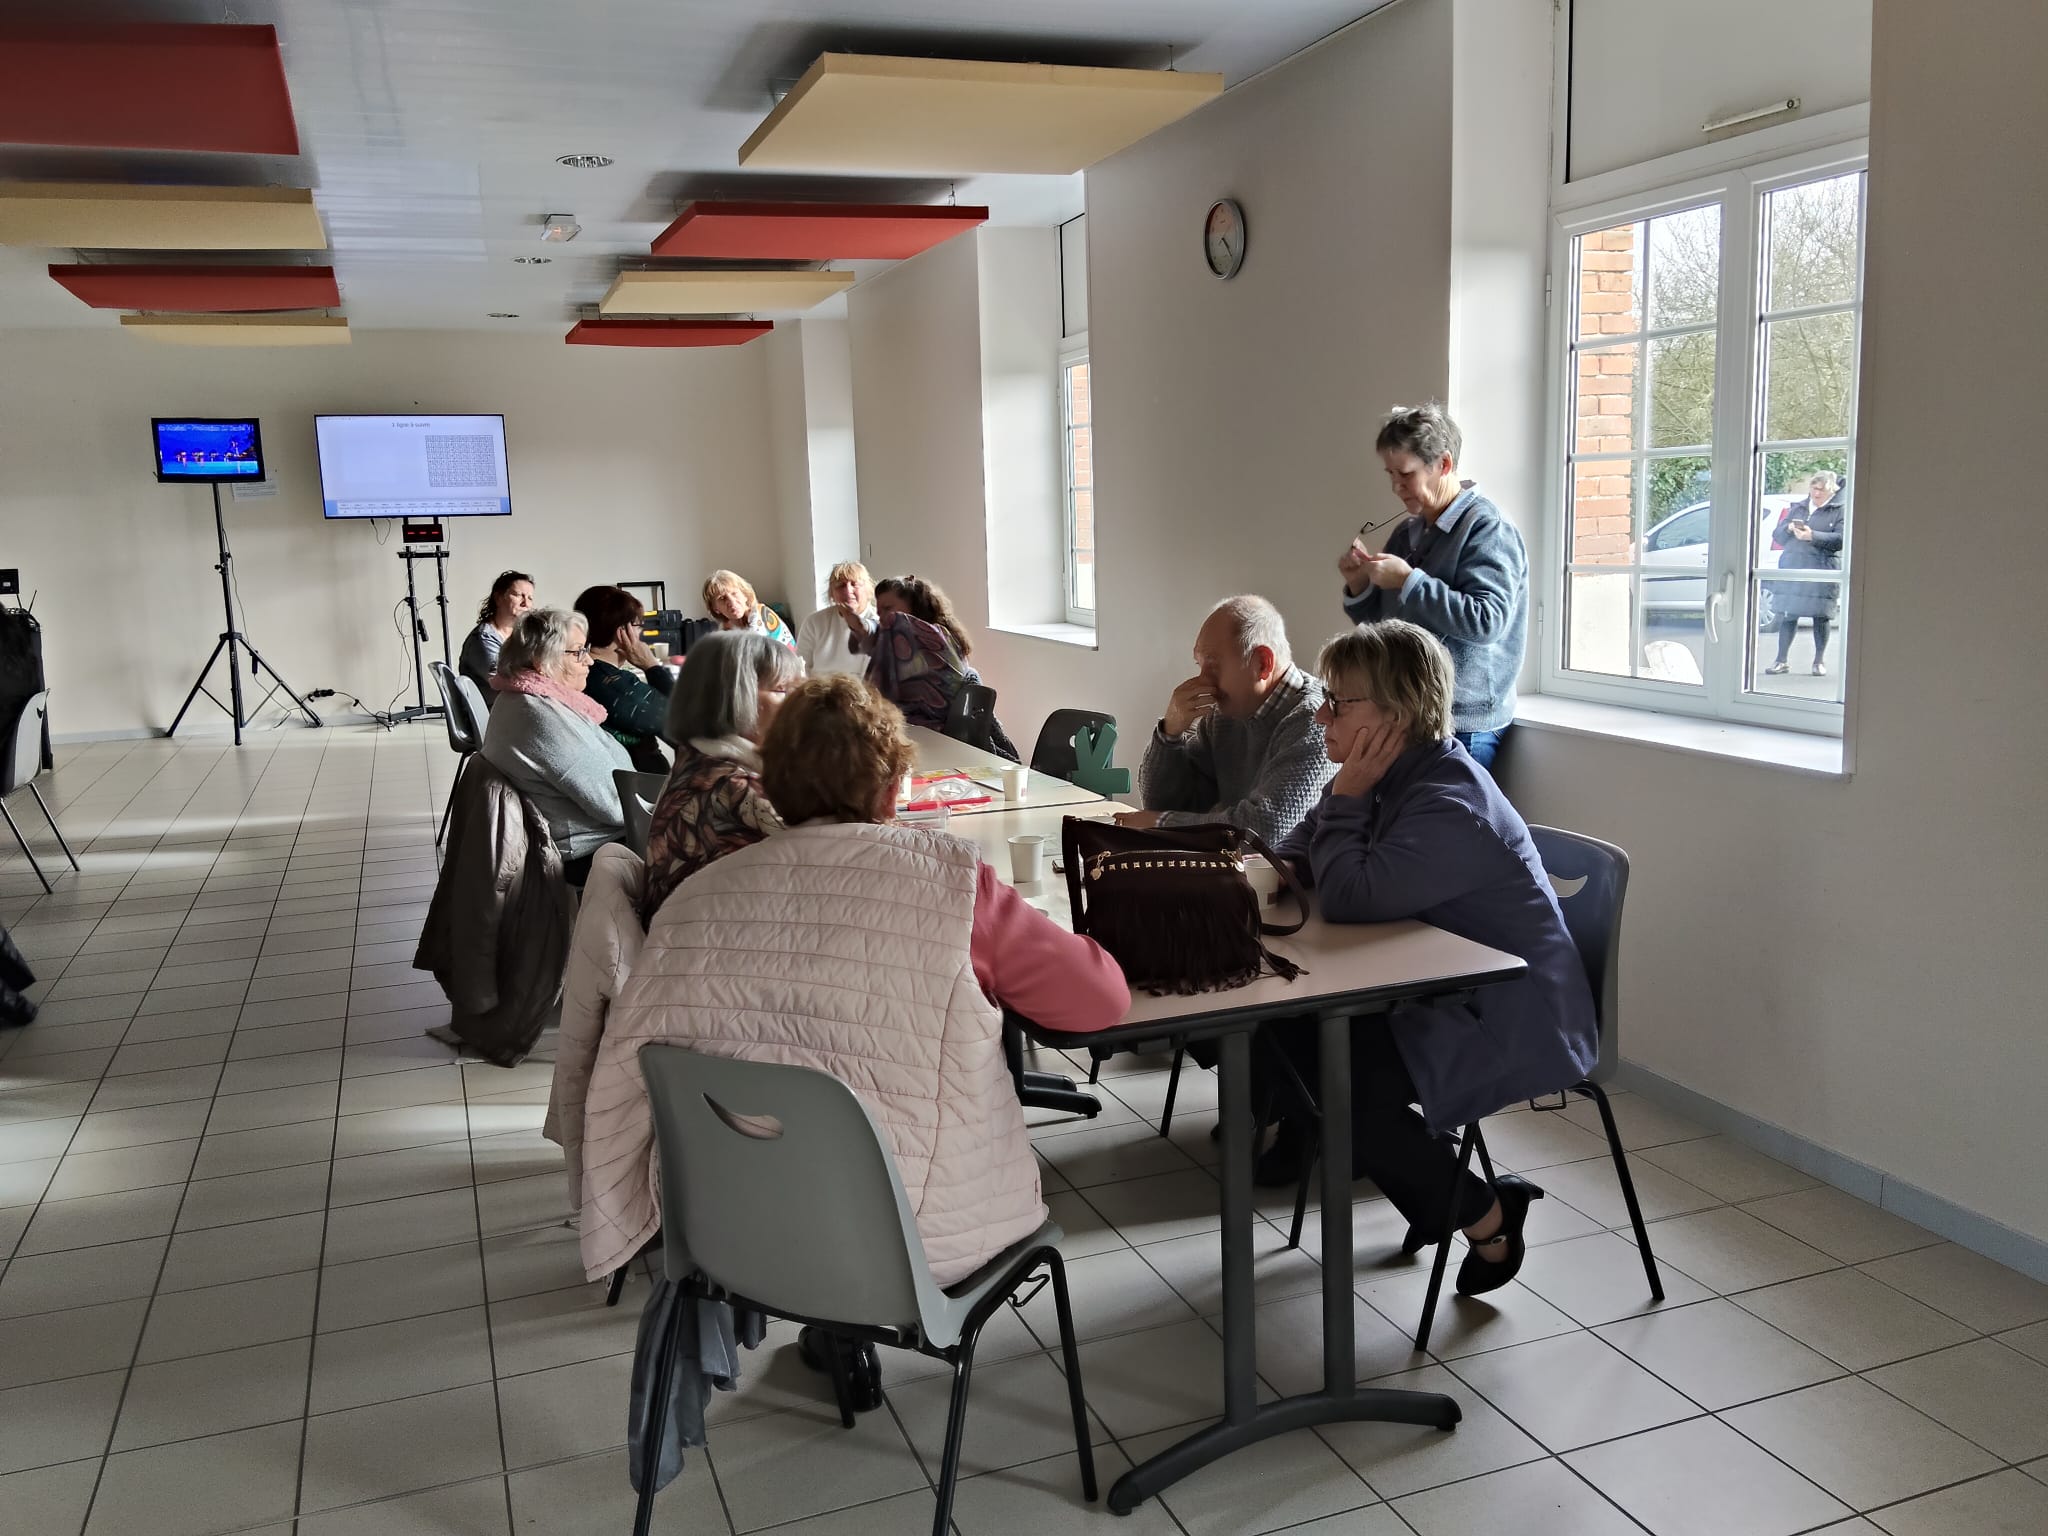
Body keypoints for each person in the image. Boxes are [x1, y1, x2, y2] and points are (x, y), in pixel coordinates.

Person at [588, 673, 1130, 1290]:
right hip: (919, 1243)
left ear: (772, 784)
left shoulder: (693, 898)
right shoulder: (954, 886)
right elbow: (1100, 1002)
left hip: (734, 1235)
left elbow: (632, 1067)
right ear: (894, 788)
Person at [1267, 620, 1598, 1296]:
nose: (1321, 715)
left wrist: (1345, 804)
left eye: (1338, 702)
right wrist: (1311, 843)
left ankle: (1487, 1215)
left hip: (1513, 1013)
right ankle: (1425, 1179)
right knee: (1284, 1032)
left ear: (1396, 715)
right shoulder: (1379, 777)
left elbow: (1350, 896)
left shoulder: (1447, 803)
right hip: (1435, 990)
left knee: (1348, 1090)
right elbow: (1299, 849)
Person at [1336, 404, 1528, 770]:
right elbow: (1383, 628)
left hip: (1464, 723)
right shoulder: (1407, 532)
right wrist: (1360, 586)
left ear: (1443, 464)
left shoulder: (1487, 528)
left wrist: (1408, 580)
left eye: (1405, 474)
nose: (1396, 487)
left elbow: (1486, 622)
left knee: (1451, 810)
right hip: (1411, 712)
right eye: (1390, 474)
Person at [1122, 596, 1333, 845]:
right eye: (1199, 665)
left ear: (1263, 663)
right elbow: (1163, 804)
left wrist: (1161, 824)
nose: (1203, 680)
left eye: (1212, 666)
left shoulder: (1316, 720)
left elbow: (1263, 831)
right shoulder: (1225, 716)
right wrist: (1169, 733)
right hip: (1233, 865)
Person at [639, 631, 801, 922]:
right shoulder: (736, 787)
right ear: (737, 699)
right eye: (782, 691)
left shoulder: (697, 758)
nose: (797, 704)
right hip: (706, 940)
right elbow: (823, 865)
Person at [479, 606, 631, 882]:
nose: (590, 661)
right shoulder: (540, 716)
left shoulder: (521, 698)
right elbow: (616, 806)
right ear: (542, 661)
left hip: (596, 837)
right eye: (578, 652)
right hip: (594, 850)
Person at [836, 574, 1020, 758]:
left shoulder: (936, 636)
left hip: (941, 735)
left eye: (888, 609)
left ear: (914, 606)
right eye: (879, 612)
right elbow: (872, 636)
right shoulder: (897, 641)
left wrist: (861, 624)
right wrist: (859, 626)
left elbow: (886, 626)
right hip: (924, 733)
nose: (882, 617)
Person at [574, 584, 675, 774]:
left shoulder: (588, 672)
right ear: (622, 631)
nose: (641, 633)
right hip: (649, 785)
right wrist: (651, 666)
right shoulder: (614, 684)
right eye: (638, 625)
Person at [1765, 471, 1846, 677]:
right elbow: (1778, 536)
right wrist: (1789, 528)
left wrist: (1813, 536)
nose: (1816, 493)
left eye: (1822, 490)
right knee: (1788, 614)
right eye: (1814, 488)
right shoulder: (1798, 508)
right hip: (1793, 567)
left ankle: (1818, 661)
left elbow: (1841, 539)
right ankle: (1781, 660)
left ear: (1832, 491)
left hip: (1821, 569)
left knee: (1821, 616)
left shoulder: (1839, 510)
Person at [459, 569, 534, 704]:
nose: (526, 604)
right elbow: (505, 681)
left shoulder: (522, 635)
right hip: (494, 711)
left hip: (512, 705)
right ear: (498, 598)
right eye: (519, 595)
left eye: (530, 598)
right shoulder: (483, 638)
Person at [795, 561, 875, 679]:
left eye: (854, 584)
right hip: (816, 688)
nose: (848, 591)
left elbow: (871, 680)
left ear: (868, 590)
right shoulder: (813, 622)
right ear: (832, 594)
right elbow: (800, 669)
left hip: (857, 689)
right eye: (841, 585)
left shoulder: (880, 625)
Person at [704, 569, 798, 651]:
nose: (731, 602)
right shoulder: (725, 630)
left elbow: (753, 652)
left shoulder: (760, 613)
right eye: (722, 598)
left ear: (745, 595)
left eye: (734, 593)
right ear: (715, 609)